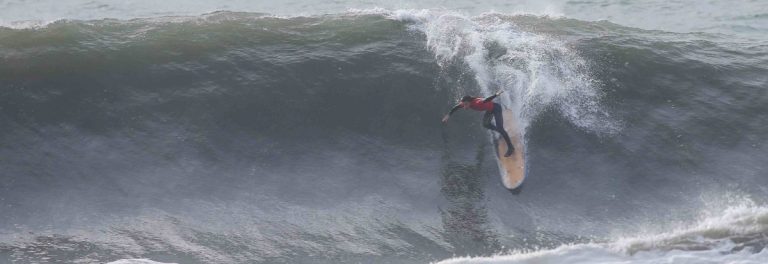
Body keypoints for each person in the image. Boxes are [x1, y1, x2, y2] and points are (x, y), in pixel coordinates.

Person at [442, 90, 515, 157]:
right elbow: (456, 107)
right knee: (486, 124)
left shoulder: (477, 102)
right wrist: (448, 115)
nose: (464, 107)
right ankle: (502, 133)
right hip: (489, 110)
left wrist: (496, 94)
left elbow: (486, 99)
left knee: (500, 128)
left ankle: (511, 148)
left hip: (496, 109)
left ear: (469, 102)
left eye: (466, 104)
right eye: (464, 105)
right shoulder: (466, 103)